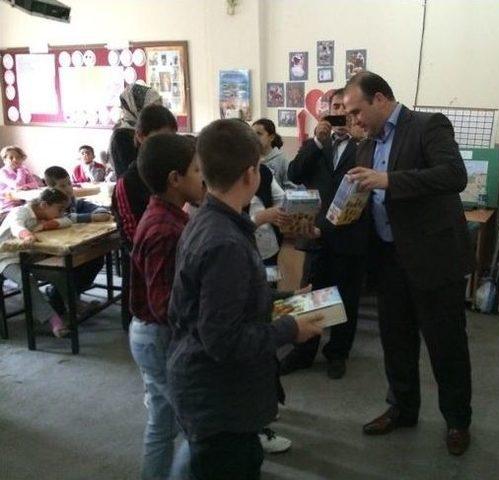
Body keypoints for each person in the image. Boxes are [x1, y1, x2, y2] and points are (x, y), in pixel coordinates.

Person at [167, 119, 323, 480]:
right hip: (218, 397)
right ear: (252, 174)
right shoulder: (226, 243)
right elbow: (223, 339)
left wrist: (285, 299)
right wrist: (289, 328)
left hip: (208, 389)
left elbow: (231, 302)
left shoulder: (211, 221)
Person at [343, 72, 473, 456]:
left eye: (357, 111)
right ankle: (402, 408)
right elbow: (368, 196)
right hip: (388, 260)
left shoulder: (428, 125)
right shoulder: (365, 145)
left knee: (445, 345)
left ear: (380, 98)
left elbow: (453, 176)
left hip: (433, 260)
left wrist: (388, 180)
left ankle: (457, 420)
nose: (354, 121)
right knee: (395, 342)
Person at [129, 133, 203, 480]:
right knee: (194, 422)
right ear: (175, 179)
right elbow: (164, 306)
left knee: (164, 419)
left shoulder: (170, 215)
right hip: (158, 336)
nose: (204, 177)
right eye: (198, 169)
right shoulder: (164, 228)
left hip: (152, 335)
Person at [283, 88, 369, 380]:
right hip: (316, 234)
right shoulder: (318, 144)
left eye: (347, 108)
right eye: (335, 106)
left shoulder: (366, 144)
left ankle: (338, 352)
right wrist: (316, 142)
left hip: (350, 235)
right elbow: (294, 174)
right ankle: (304, 350)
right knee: (311, 292)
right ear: (326, 110)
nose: (341, 113)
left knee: (347, 297)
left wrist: (361, 139)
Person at [0, 188, 72, 337]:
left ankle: (74, 305)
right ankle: (53, 320)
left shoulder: (42, 217)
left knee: (58, 272)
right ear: (44, 205)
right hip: (5, 258)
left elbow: (67, 220)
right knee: (26, 280)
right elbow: (16, 226)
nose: (61, 213)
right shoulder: (21, 211)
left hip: (26, 256)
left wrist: (44, 225)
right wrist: (26, 235)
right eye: (59, 209)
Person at [43, 166, 111, 315]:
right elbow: (62, 219)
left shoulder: (73, 201)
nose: (68, 189)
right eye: (62, 186)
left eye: (69, 183)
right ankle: (58, 298)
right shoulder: (47, 204)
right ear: (50, 189)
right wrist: (90, 217)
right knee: (76, 265)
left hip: (71, 246)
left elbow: (96, 209)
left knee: (96, 258)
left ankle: (62, 296)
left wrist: (100, 212)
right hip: (49, 251)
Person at [112, 104, 178, 250]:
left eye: (172, 138)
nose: (167, 145)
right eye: (160, 138)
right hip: (146, 261)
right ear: (141, 136)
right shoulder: (127, 183)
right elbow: (134, 236)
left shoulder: (174, 173)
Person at [109, 84, 162, 178]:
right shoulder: (122, 136)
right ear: (136, 107)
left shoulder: (149, 130)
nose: (158, 113)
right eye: (152, 108)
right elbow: (131, 173)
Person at [0, 146, 42, 214]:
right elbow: (17, 185)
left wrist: (25, 186)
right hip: (8, 205)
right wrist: (20, 169)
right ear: (4, 160)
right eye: (11, 157)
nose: (15, 159)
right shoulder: (3, 172)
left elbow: (35, 184)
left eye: (18, 157)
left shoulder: (24, 169)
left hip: (23, 201)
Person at [251, 119, 290, 188]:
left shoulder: (282, 160)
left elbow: (291, 189)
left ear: (271, 137)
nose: (254, 137)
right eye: (252, 134)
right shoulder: (249, 158)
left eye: (259, 134)